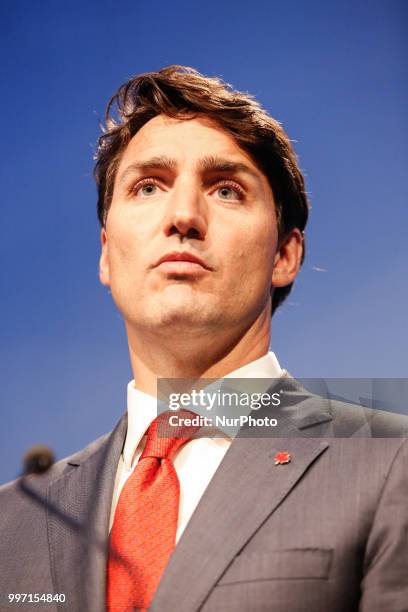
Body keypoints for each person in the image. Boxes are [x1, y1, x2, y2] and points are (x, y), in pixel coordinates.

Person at [0, 65, 407, 612]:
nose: (183, 216)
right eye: (148, 186)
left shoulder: (390, 462)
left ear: (285, 255)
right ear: (105, 251)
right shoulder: (13, 519)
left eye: (226, 190)